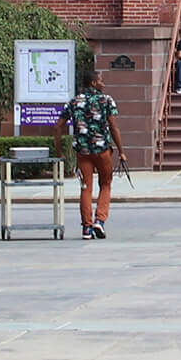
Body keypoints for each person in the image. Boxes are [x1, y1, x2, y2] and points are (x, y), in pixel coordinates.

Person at [66, 70, 124, 240]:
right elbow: (114, 127)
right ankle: (100, 220)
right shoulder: (106, 100)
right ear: (93, 83)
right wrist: (121, 151)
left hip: (83, 152)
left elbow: (58, 125)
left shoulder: (74, 101)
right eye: (100, 81)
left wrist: (60, 150)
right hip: (102, 150)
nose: (103, 84)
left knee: (85, 187)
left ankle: (86, 228)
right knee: (105, 183)